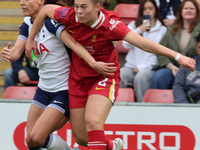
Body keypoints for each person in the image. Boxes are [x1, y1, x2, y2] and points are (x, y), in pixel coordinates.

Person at [25, 0, 195, 149]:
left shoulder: (110, 24)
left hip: (104, 77)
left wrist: (178, 56)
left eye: (84, 7)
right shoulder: (70, 16)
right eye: (76, 6)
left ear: (97, 7)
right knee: (82, 138)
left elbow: (144, 43)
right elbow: (46, 10)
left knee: (93, 122)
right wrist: (31, 38)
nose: (78, 11)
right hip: (78, 80)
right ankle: (112, 146)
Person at [1, 0, 115, 150]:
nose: (22, 2)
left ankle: (106, 144)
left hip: (64, 91)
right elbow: (16, 53)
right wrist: (8, 54)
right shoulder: (27, 24)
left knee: (38, 136)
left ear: (41, 1)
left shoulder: (51, 23)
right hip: (43, 90)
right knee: (31, 140)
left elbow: (73, 43)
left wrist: (93, 63)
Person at [120, 0, 167, 102]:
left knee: (141, 78)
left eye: (150, 9)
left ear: (156, 10)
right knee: (121, 74)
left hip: (150, 68)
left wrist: (142, 67)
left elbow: (159, 53)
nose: (147, 11)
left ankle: (142, 107)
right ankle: (119, 105)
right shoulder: (134, 25)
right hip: (131, 66)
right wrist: (139, 30)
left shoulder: (162, 30)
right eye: (145, 9)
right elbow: (125, 44)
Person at [152, 0, 200, 89]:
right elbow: (160, 50)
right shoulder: (172, 28)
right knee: (159, 77)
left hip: (195, 69)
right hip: (173, 68)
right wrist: (171, 67)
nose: (188, 10)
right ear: (181, 11)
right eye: (186, 8)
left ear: (197, 12)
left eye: (192, 9)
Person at [173, 33, 200, 103]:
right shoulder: (187, 63)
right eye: (199, 47)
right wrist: (184, 105)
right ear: (196, 47)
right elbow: (178, 86)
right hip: (188, 103)